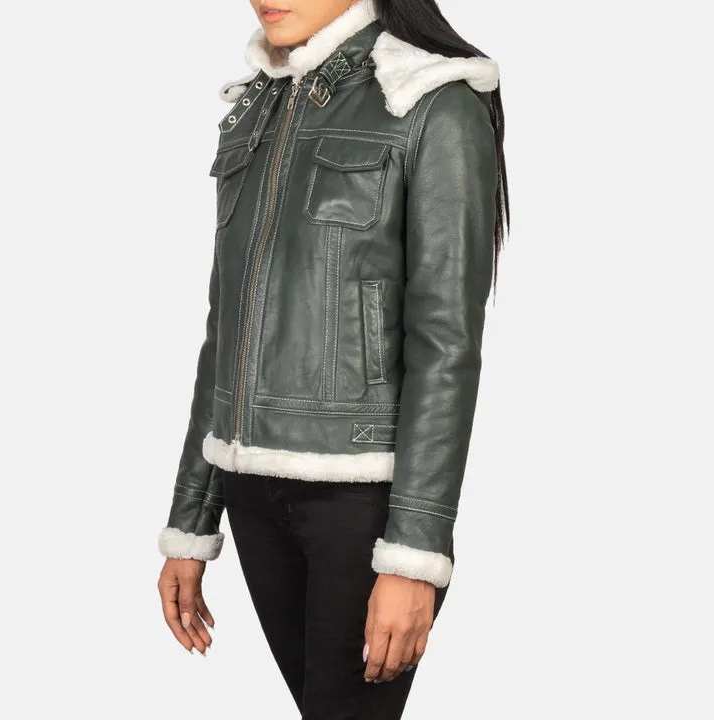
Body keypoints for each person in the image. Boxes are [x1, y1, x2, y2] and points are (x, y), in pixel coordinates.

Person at [156, 0, 509, 717]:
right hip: (252, 493)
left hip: (363, 501)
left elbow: (446, 345)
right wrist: (192, 519)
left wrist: (414, 553)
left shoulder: (429, 101)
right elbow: (225, 330)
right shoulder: (260, 104)